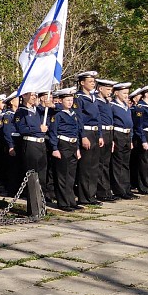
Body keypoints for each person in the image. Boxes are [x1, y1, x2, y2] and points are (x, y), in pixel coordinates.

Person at [14, 91, 50, 212]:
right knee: (32, 177)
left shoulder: (39, 110)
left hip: (41, 144)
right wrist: (37, 128)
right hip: (30, 144)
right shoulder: (21, 112)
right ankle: (33, 209)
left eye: (36, 95)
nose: (35, 97)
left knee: (42, 177)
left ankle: (42, 207)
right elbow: (21, 128)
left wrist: (52, 105)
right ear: (24, 96)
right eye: (32, 95)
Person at [47, 88, 82, 211]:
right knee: (62, 176)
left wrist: (77, 148)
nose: (70, 102)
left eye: (71, 100)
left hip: (72, 146)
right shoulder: (58, 115)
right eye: (67, 100)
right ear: (61, 101)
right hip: (62, 145)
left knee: (71, 176)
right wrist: (55, 148)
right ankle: (63, 203)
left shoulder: (73, 114)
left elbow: (76, 132)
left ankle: (71, 201)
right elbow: (53, 132)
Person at [75, 71, 103, 206]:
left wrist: (101, 135)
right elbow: (79, 119)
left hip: (95, 133)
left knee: (94, 166)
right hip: (86, 132)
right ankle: (84, 197)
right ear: (82, 83)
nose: (93, 83)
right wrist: (83, 136)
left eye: (94, 81)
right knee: (85, 167)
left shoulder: (93, 98)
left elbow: (98, 118)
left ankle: (91, 195)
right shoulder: (79, 98)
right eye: (90, 81)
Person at [108, 82, 136, 200]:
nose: (126, 95)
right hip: (118, 135)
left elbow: (131, 124)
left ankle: (126, 188)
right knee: (117, 164)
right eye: (124, 93)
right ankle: (119, 190)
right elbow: (112, 123)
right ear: (116, 93)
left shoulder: (126, 107)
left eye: (127, 93)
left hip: (127, 135)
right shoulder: (112, 106)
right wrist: (113, 139)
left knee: (125, 163)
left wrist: (130, 138)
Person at [94, 79, 118, 202]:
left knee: (106, 164)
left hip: (109, 133)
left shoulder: (107, 102)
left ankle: (106, 190)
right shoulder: (97, 101)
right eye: (108, 89)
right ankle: (101, 192)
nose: (110, 92)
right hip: (102, 132)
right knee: (100, 164)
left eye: (111, 89)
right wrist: (100, 135)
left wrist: (112, 138)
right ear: (100, 89)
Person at [0, 92, 22, 195]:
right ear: (12, 102)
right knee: (12, 168)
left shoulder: (19, 113)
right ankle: (11, 190)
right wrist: (11, 146)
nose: (19, 101)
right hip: (12, 141)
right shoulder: (8, 115)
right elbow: (7, 131)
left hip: (19, 141)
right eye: (17, 99)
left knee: (19, 167)